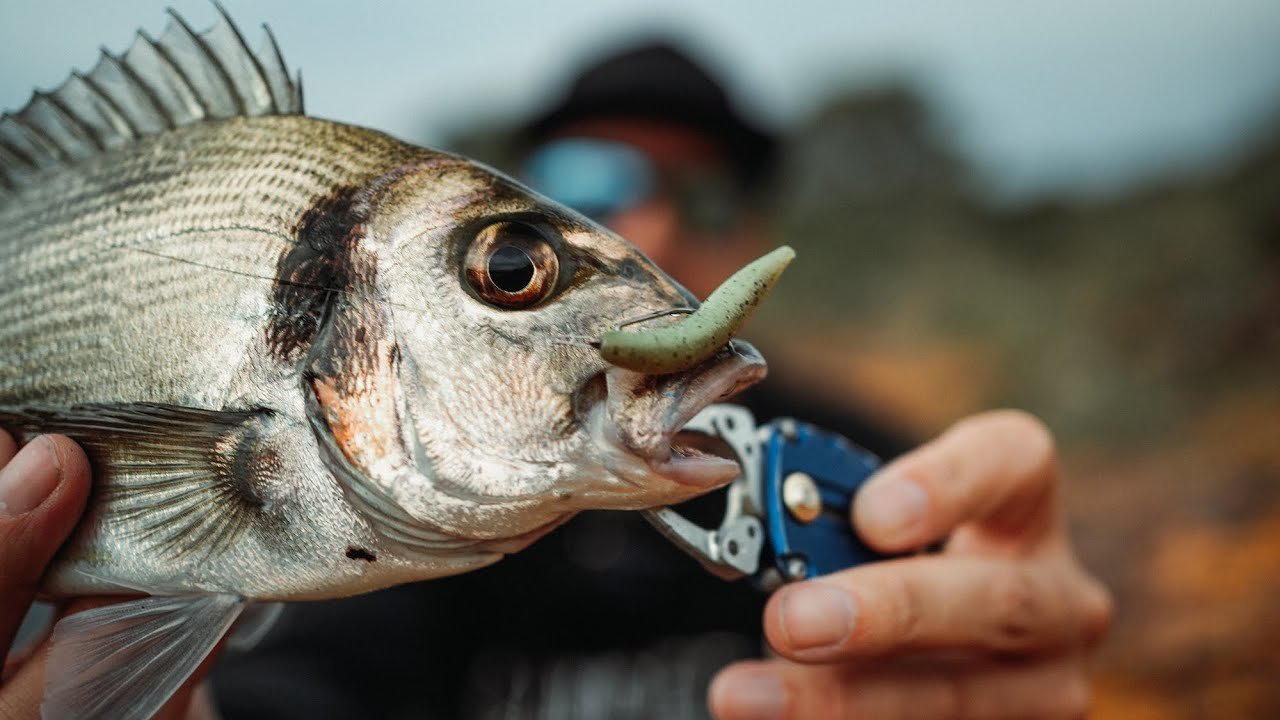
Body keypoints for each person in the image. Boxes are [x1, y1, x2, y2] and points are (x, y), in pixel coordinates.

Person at [0, 42, 1111, 720]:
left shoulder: (857, 466)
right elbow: (302, 694)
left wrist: (1009, 650)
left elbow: (984, 604)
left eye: (710, 200)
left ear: (757, 230)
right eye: (518, 267)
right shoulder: (413, 554)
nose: (663, 225)